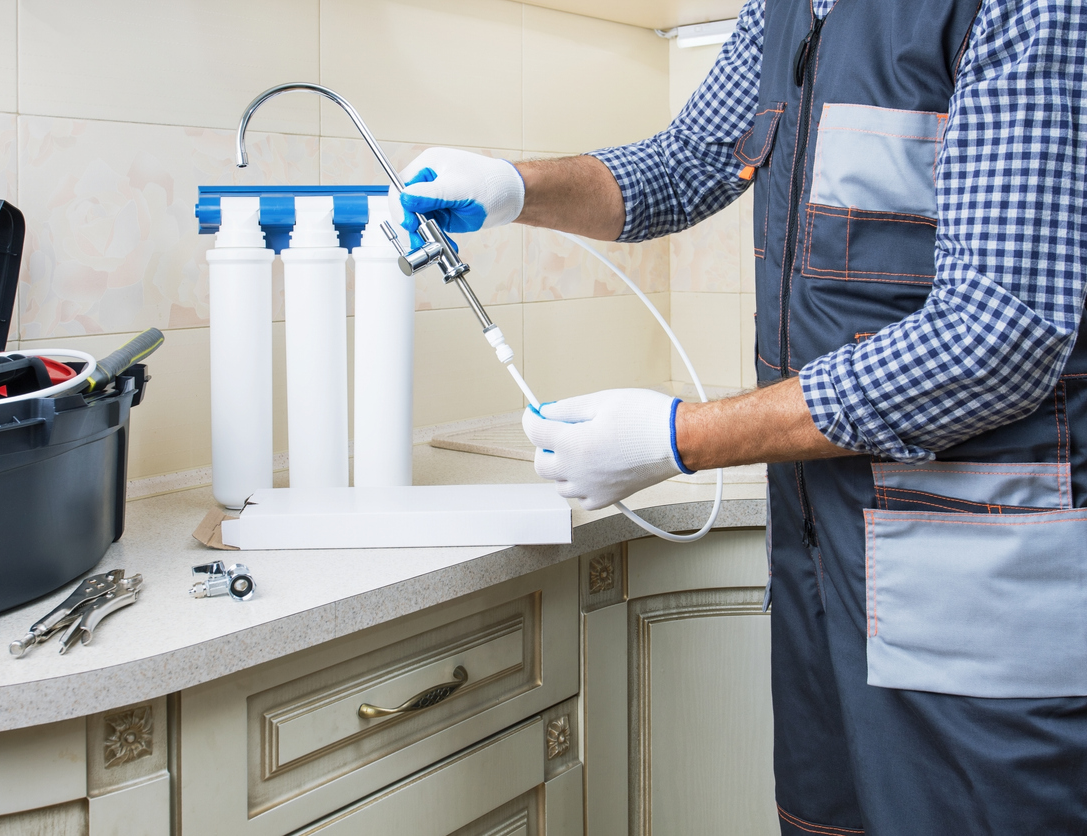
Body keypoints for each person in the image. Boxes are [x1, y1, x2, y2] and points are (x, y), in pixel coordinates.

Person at [394, 1, 1087, 832]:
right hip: (820, 569)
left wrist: (679, 439)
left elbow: (1000, 331)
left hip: (979, 601)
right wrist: (513, 187)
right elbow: (686, 164)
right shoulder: (791, 8)